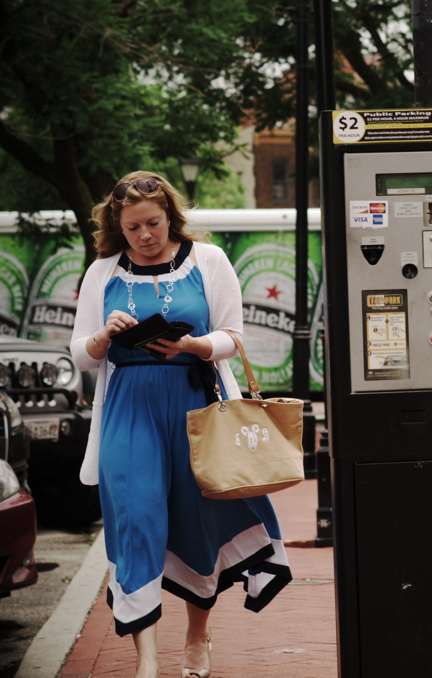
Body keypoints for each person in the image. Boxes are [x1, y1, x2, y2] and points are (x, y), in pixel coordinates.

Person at [70, 171, 292, 678]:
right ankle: (146, 658)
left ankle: (197, 635)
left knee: (199, 521)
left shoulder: (208, 260)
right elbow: (80, 354)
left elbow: (234, 337)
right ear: (117, 227)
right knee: (135, 518)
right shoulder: (103, 271)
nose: (145, 235)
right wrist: (105, 334)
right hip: (128, 408)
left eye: (152, 222)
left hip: (196, 404)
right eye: (132, 228)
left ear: (170, 215)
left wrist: (193, 344)